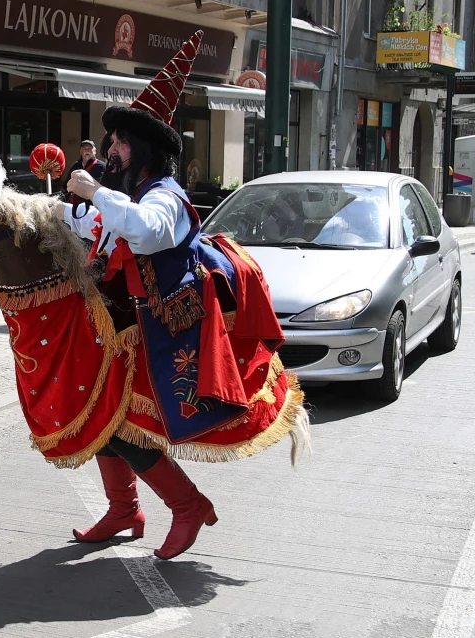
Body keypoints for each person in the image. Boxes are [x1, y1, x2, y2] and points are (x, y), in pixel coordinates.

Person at [62, 31, 306, 560]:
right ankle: (124, 508)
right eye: (112, 142)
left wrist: (93, 190)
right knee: (102, 417)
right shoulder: (129, 195)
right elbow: (101, 235)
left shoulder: (164, 199)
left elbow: (145, 232)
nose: (110, 150)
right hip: (126, 330)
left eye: (120, 143)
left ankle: (188, 505)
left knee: (122, 428)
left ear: (142, 149)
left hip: (168, 336)